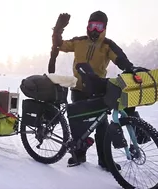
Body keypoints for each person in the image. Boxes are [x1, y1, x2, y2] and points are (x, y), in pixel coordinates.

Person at [49, 10, 148, 170]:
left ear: (104, 28)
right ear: (88, 26)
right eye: (92, 25)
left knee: (101, 126)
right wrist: (57, 30)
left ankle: (105, 160)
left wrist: (130, 68)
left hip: (97, 90)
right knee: (78, 123)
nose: (95, 29)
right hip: (78, 88)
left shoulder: (107, 45)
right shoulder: (79, 41)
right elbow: (59, 45)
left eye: (99, 26)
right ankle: (79, 155)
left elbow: (119, 58)